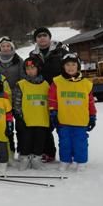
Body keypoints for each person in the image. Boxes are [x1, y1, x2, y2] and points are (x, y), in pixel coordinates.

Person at [48, 53, 97, 172]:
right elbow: (52, 99)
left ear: (78, 66)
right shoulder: (57, 81)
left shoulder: (86, 84)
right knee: (64, 142)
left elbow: (90, 102)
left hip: (81, 120)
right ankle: (65, 161)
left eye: (73, 64)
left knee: (80, 143)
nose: (70, 67)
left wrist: (92, 116)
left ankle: (80, 162)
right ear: (63, 67)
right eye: (67, 65)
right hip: (63, 120)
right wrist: (53, 112)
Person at [30, 27, 69, 163]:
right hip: (40, 94)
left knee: (62, 125)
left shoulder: (61, 52)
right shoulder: (33, 55)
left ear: (49, 37)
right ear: (36, 39)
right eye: (39, 36)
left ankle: (68, 154)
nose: (42, 38)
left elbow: (71, 67)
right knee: (44, 126)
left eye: (44, 35)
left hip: (60, 93)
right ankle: (49, 153)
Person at [13, 57, 50, 171]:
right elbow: (17, 102)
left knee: (39, 141)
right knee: (26, 141)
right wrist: (19, 117)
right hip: (27, 119)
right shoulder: (21, 84)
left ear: (38, 69)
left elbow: (50, 102)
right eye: (27, 68)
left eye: (32, 68)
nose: (30, 71)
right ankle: (24, 158)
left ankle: (36, 159)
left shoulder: (46, 84)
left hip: (42, 119)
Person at [0, 36, 24, 153]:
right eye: (3, 46)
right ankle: (9, 149)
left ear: (12, 47)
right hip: (2, 98)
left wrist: (19, 94)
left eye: (8, 46)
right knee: (6, 126)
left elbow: (23, 78)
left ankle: (22, 149)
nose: (6, 48)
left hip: (18, 98)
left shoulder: (19, 61)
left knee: (21, 126)